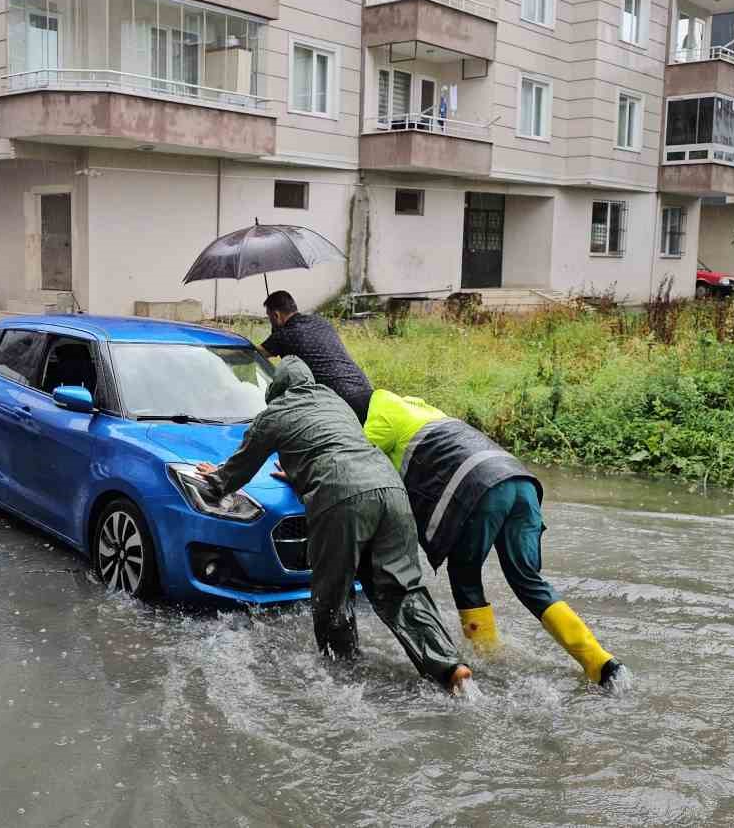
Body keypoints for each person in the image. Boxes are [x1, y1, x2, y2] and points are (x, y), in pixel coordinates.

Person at [197, 358, 473, 694]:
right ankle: (450, 669)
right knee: (403, 589)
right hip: (390, 488)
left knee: (332, 594)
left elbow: (241, 467)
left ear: (277, 391)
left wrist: (212, 480)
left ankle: (342, 679)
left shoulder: (275, 413)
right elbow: (335, 445)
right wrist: (303, 472)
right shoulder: (334, 401)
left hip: (341, 497)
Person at [363, 388, 623, 689]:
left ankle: (486, 662)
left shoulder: (379, 410)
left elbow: (357, 460)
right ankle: (601, 664)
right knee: (528, 580)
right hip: (521, 481)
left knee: (465, 577)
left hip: (482, 490)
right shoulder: (426, 410)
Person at [258, 291, 374, 423]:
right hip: (366, 391)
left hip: (340, 402)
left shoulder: (283, 335)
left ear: (276, 315)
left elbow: (256, 354)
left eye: (269, 317)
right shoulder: (320, 322)